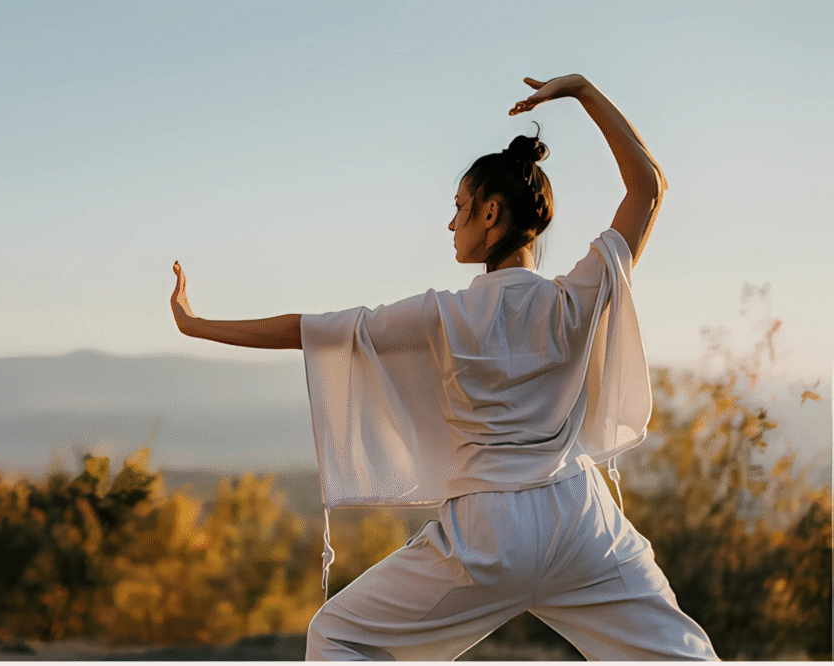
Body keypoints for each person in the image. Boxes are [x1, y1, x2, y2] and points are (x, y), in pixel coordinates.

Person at [170, 74, 718, 661]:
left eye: (459, 208)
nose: (451, 223)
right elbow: (649, 187)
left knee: (338, 635)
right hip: (579, 523)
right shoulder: (575, 297)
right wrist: (582, 91)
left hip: (487, 535)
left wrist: (197, 324)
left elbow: (310, 330)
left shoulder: (442, 316)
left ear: (490, 211)